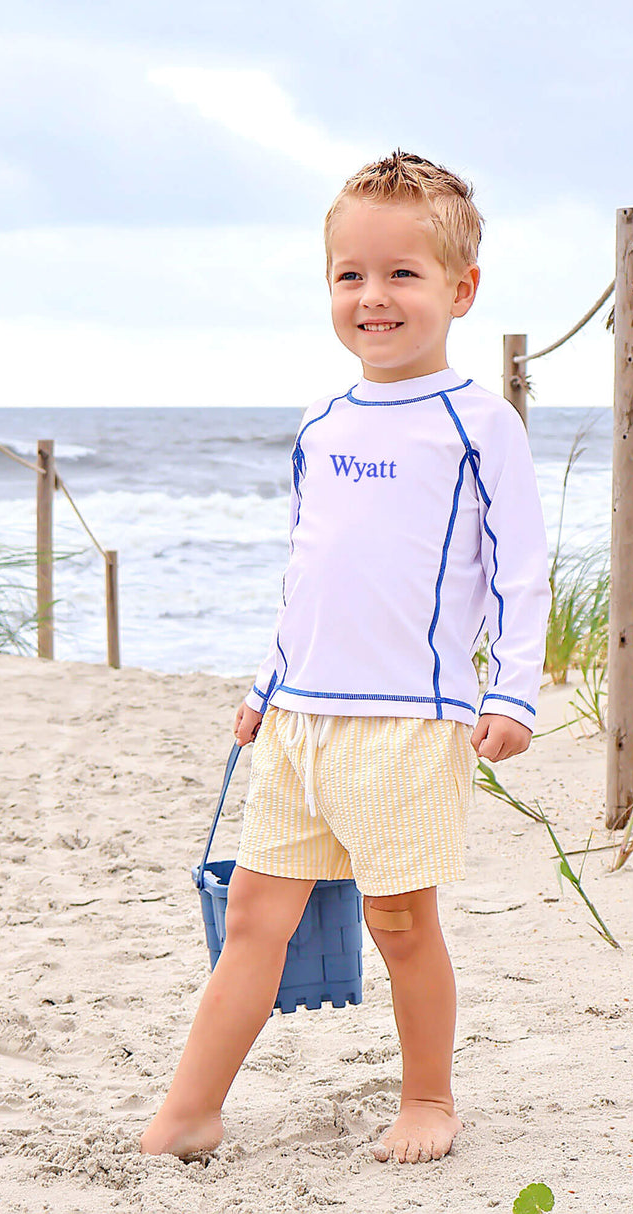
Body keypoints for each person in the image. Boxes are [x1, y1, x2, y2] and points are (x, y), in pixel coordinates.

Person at [140, 150, 550, 1165]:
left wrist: (514, 690)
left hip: (410, 718)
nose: (373, 296)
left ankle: (426, 1096)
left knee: (400, 919)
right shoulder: (323, 424)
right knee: (250, 913)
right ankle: (187, 1110)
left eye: (402, 273)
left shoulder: (476, 421)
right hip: (298, 719)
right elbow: (308, 571)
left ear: (459, 289)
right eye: (349, 274)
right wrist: (263, 685)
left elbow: (521, 567)